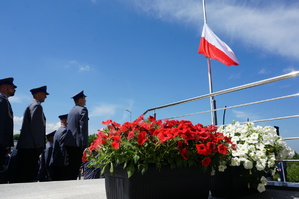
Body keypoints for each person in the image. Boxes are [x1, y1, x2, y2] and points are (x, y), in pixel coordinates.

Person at [16, 85, 49, 182]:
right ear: (38, 94)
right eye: (44, 94)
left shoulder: (31, 105)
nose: (45, 97)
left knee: (24, 175)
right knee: (28, 176)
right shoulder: (37, 106)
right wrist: (39, 146)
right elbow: (36, 128)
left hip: (27, 147)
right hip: (31, 148)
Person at [64, 91, 88, 180]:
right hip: (77, 145)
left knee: (70, 169)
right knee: (75, 169)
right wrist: (85, 144)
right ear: (80, 99)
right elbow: (83, 128)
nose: (85, 100)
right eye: (84, 98)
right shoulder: (83, 110)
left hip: (69, 143)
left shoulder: (71, 111)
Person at [0, 77, 17, 183]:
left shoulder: (4, 101)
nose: (14, 89)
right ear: (4, 87)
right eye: (12, 87)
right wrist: (4, 145)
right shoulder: (2, 100)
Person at [49, 114, 68, 181]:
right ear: (66, 121)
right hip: (60, 164)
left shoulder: (58, 131)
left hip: (56, 162)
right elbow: (62, 148)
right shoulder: (64, 131)